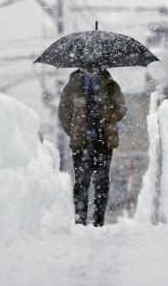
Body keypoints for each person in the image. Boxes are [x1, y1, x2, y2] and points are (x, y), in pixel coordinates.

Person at [58, 64, 127, 226]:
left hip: (103, 141)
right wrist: (75, 131)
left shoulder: (110, 84)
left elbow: (121, 109)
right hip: (81, 143)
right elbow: (63, 112)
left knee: (102, 182)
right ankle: (80, 220)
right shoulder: (73, 85)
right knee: (81, 182)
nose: (91, 63)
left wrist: (109, 115)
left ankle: (98, 221)